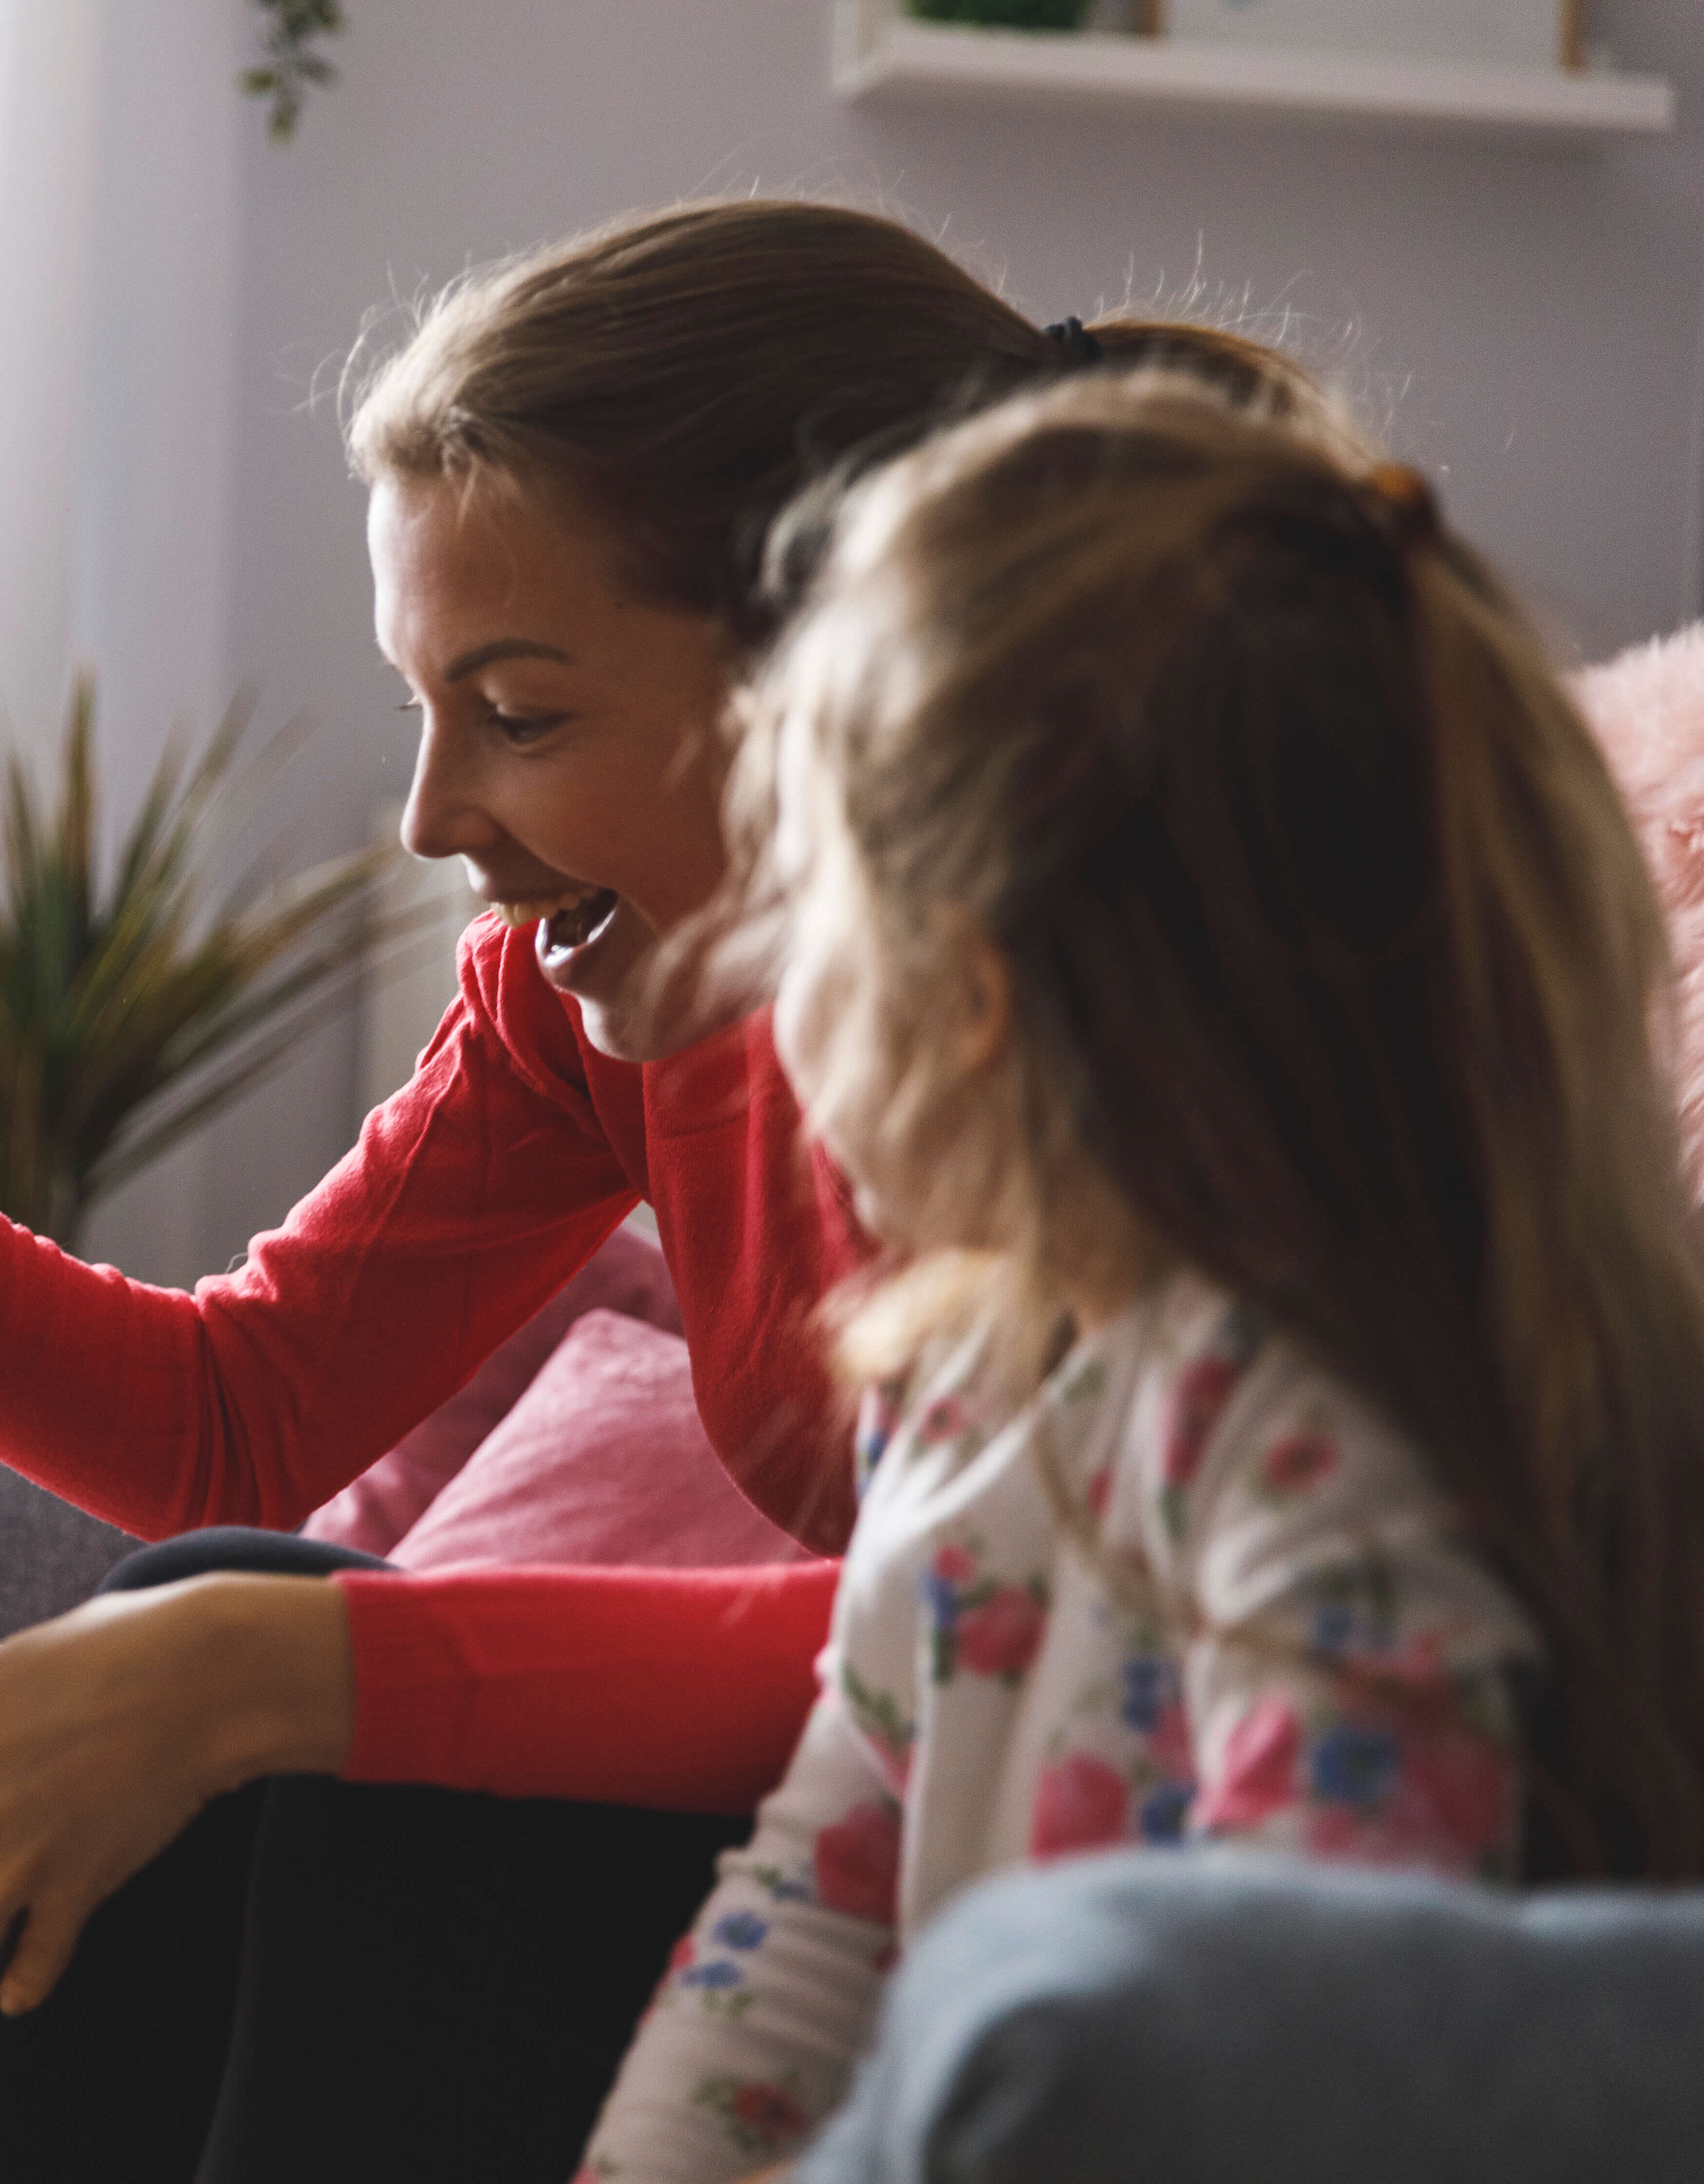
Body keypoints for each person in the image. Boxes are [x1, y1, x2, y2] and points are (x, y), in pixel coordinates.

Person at [0, 200, 1338, 2180]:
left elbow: (1037, 1634)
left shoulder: (1145, 1010)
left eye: (523, 713)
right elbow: (239, 1420)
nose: (429, 818)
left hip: (1129, 1855)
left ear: (863, 674)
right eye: (428, 703)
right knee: (235, 1630)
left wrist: (298, 1670)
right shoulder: (602, 991)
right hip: (886, 1819)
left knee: (354, 1760)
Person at [583, 375, 1704, 2183]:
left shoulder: (1315, 1439)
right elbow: (813, 1898)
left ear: (963, 999)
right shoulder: (963, 1392)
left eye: (805, 927)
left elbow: (1289, 2030)